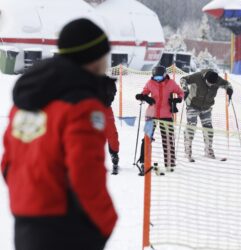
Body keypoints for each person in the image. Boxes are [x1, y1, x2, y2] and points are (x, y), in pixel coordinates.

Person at [1, 19, 117, 250]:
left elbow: (7, 163)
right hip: (66, 227)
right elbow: (85, 171)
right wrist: (106, 220)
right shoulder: (82, 106)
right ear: (93, 59)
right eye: (105, 55)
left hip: (26, 223)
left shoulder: (28, 99)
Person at [135, 65, 184, 173]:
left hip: (166, 115)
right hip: (151, 115)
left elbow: (181, 92)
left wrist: (178, 99)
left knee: (168, 140)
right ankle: (143, 162)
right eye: (155, 77)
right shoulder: (150, 83)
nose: (157, 79)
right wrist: (143, 97)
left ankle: (170, 163)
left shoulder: (171, 83)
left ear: (164, 75)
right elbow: (145, 92)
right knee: (147, 138)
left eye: (159, 77)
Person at [180, 69, 233, 162]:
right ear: (205, 78)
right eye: (208, 83)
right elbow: (183, 79)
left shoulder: (217, 80)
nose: (210, 85)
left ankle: (208, 150)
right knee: (191, 126)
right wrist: (185, 90)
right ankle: (187, 151)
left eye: (213, 84)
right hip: (193, 105)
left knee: (208, 128)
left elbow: (228, 84)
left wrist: (229, 90)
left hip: (206, 107)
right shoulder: (197, 76)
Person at [102, 75, 120, 175]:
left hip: (106, 109)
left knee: (112, 134)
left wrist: (110, 98)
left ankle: (114, 155)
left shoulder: (105, 79)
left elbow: (113, 89)